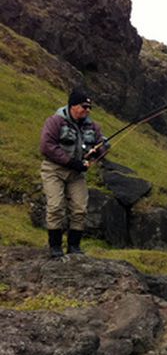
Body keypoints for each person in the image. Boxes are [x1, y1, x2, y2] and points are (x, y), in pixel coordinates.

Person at [39, 87, 109, 257]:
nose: (87, 110)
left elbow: (103, 143)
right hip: (53, 170)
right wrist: (71, 162)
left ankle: (74, 247)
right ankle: (55, 247)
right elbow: (47, 146)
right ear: (73, 106)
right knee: (56, 207)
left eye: (89, 108)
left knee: (80, 209)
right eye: (84, 107)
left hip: (77, 175)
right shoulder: (55, 121)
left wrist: (99, 151)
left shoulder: (92, 126)